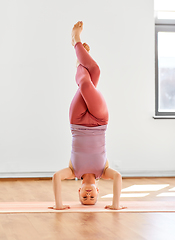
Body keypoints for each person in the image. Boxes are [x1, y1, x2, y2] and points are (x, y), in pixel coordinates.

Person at [52, 21, 126, 210]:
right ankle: (79, 59)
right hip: (99, 121)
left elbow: (55, 177)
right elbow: (118, 177)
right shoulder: (104, 171)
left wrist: (59, 205)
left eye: (84, 198)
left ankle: (76, 43)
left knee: (86, 82)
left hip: (77, 122)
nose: (88, 196)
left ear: (79, 191)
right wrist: (115, 205)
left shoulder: (72, 171)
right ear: (98, 191)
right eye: (92, 198)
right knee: (94, 74)